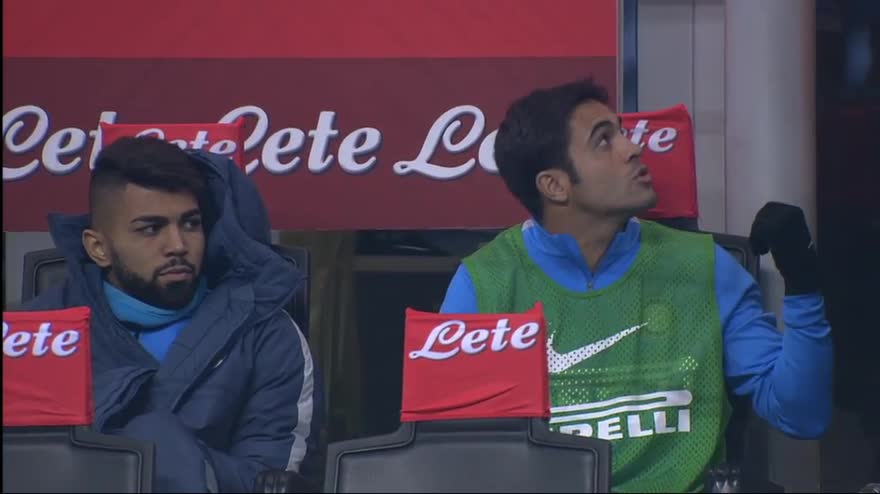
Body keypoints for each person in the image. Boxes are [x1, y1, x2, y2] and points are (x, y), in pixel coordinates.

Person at [440, 79, 833, 492]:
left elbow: (802, 415)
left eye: (622, 133)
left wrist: (803, 283)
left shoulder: (705, 267)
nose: (633, 148)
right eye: (603, 141)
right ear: (554, 185)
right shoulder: (484, 286)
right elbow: (449, 455)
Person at [23, 136, 321, 492]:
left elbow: (265, 482)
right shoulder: (35, 337)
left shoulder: (269, 334)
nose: (178, 245)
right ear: (98, 247)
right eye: (151, 229)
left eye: (191, 224)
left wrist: (157, 450)